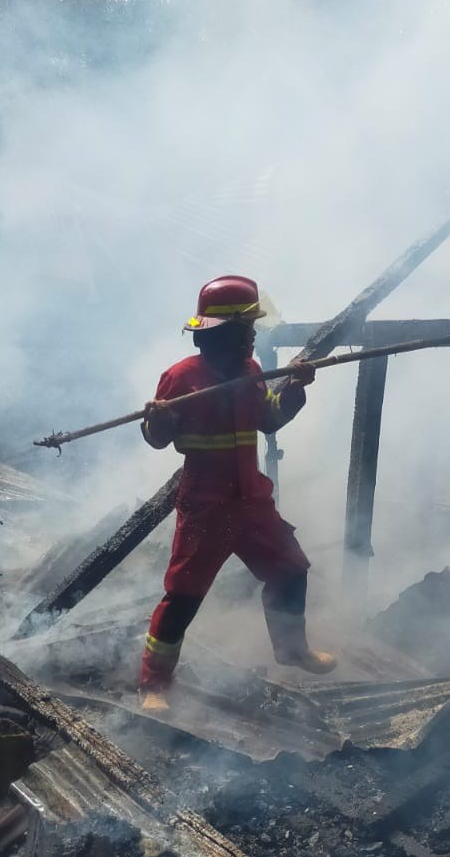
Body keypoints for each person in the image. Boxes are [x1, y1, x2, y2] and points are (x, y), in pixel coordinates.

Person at [138, 275, 337, 712]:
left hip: (251, 501)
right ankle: (155, 683)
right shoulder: (180, 378)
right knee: (184, 595)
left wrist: (296, 387)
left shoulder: (250, 372)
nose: (252, 336)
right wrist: (156, 418)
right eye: (247, 328)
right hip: (206, 505)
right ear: (224, 330)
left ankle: (291, 649)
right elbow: (157, 438)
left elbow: (267, 419)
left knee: (291, 569)